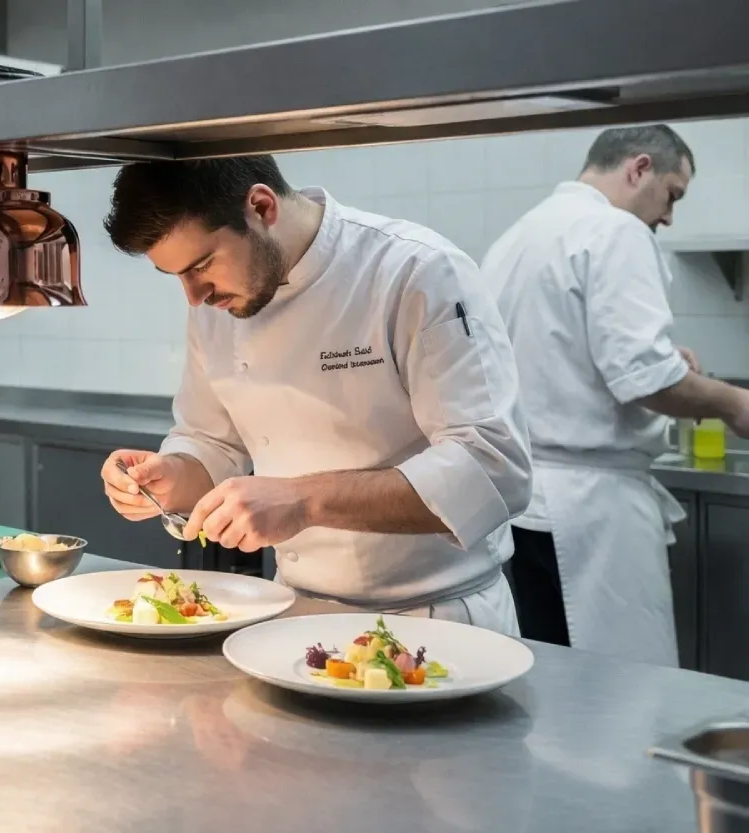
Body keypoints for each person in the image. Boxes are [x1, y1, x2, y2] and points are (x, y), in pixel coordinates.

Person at [98, 156, 532, 634]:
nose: (193, 296)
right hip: (293, 614)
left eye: (201, 266)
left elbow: (493, 467)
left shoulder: (415, 271)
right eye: (176, 275)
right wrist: (170, 477)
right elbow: (212, 441)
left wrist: (303, 501)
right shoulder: (216, 304)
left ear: (261, 207)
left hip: (438, 618)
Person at [481, 124, 749, 666]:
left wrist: (669, 361)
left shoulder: (518, 237)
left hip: (527, 505)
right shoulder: (616, 231)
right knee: (620, 696)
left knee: (555, 682)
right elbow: (645, 380)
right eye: (672, 194)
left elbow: (571, 361)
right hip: (591, 516)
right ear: (639, 168)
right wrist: (734, 402)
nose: (669, 217)